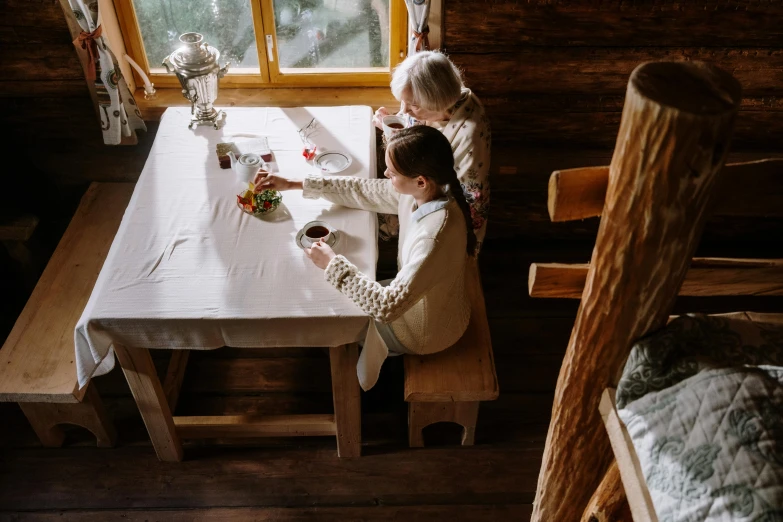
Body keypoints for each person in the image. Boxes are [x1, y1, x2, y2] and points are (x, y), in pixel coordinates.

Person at [253, 126, 476, 391]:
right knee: (339, 289)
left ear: (420, 180)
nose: (385, 175)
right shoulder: (430, 191)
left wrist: (332, 264)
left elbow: (387, 307)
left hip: (425, 331)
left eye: (392, 173)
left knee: (331, 312)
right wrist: (293, 183)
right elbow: (364, 190)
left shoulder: (434, 236)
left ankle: (345, 378)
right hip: (433, 304)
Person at [373, 50, 491, 250]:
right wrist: (389, 128)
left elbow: (470, 203)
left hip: (447, 220)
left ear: (436, 102)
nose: (404, 111)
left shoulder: (468, 137)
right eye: (404, 102)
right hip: (418, 192)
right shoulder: (440, 101)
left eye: (413, 105)